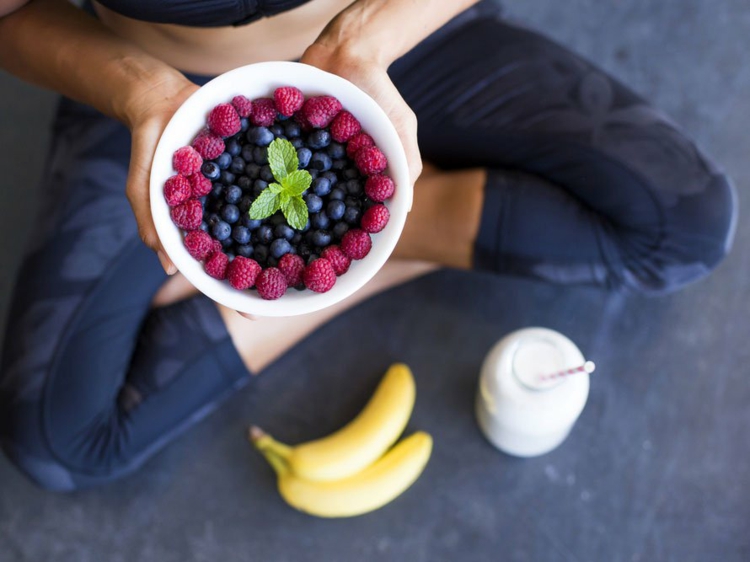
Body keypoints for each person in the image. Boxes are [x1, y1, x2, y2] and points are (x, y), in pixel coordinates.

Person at [0, 0, 736, 491]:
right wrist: (139, 89)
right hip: (160, 97)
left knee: (687, 227)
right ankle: (383, 235)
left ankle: (372, 239)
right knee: (54, 444)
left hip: (399, 37)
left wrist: (365, 38)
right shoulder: (152, 97)